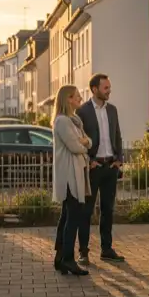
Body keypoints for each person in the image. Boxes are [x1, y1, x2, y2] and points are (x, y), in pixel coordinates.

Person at [75, 73, 125, 264]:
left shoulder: (112, 110)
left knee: (108, 210)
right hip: (93, 168)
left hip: (110, 166)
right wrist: (88, 161)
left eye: (109, 87)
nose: (109, 91)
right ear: (94, 89)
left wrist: (119, 159)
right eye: (106, 88)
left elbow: (118, 135)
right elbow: (78, 139)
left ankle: (106, 249)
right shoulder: (83, 111)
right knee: (86, 211)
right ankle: (83, 251)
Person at [52, 85, 93, 276]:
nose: (80, 98)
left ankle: (61, 257)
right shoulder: (62, 121)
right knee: (72, 216)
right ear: (68, 99)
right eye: (77, 96)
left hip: (76, 172)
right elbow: (77, 146)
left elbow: (88, 140)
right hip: (69, 175)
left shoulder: (74, 120)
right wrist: (83, 144)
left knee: (68, 215)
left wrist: (84, 143)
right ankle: (67, 258)